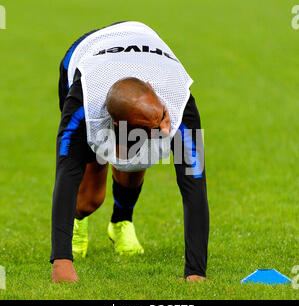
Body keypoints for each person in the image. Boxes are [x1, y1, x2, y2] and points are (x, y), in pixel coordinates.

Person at [50, 21, 209, 283]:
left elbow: (194, 184)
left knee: (135, 161)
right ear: (118, 126)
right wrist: (61, 260)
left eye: (162, 116)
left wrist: (195, 272)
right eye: (155, 126)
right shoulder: (83, 103)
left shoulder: (179, 101)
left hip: (144, 46)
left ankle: (121, 221)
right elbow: (66, 170)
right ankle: (78, 222)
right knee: (89, 199)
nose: (168, 127)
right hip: (86, 54)